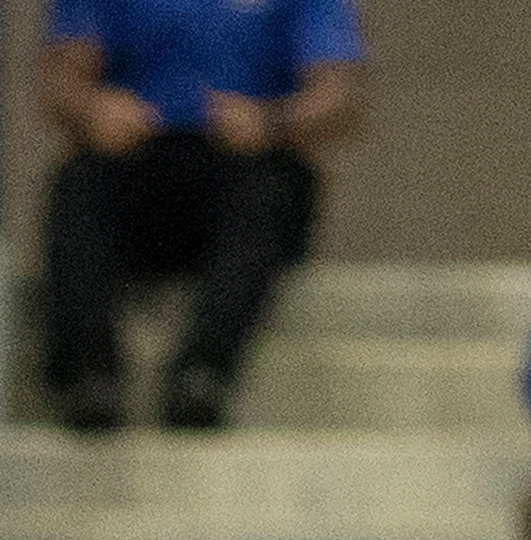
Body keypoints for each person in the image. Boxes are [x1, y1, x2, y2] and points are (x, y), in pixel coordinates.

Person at [35, 0, 363, 433]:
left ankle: (203, 372)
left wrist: (270, 120)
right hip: (139, 158)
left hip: (247, 165)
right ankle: (89, 376)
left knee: (276, 186)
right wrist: (94, 108)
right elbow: (61, 83)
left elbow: (339, 97)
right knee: (78, 181)